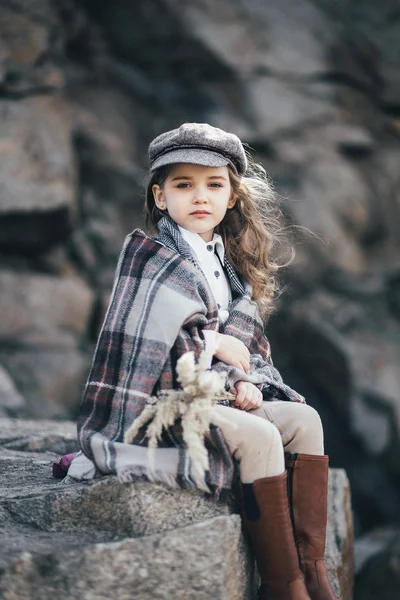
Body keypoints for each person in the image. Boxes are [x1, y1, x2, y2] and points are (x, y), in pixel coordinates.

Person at [68, 123, 337, 600]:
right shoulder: (150, 255)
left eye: (214, 184)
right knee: (258, 435)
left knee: (303, 420)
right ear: (159, 195)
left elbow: (246, 348)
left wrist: (247, 378)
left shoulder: (229, 263)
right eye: (183, 184)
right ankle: (284, 586)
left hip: (218, 393)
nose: (200, 196)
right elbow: (142, 345)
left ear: (232, 196)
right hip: (161, 403)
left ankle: (312, 568)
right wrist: (218, 352)